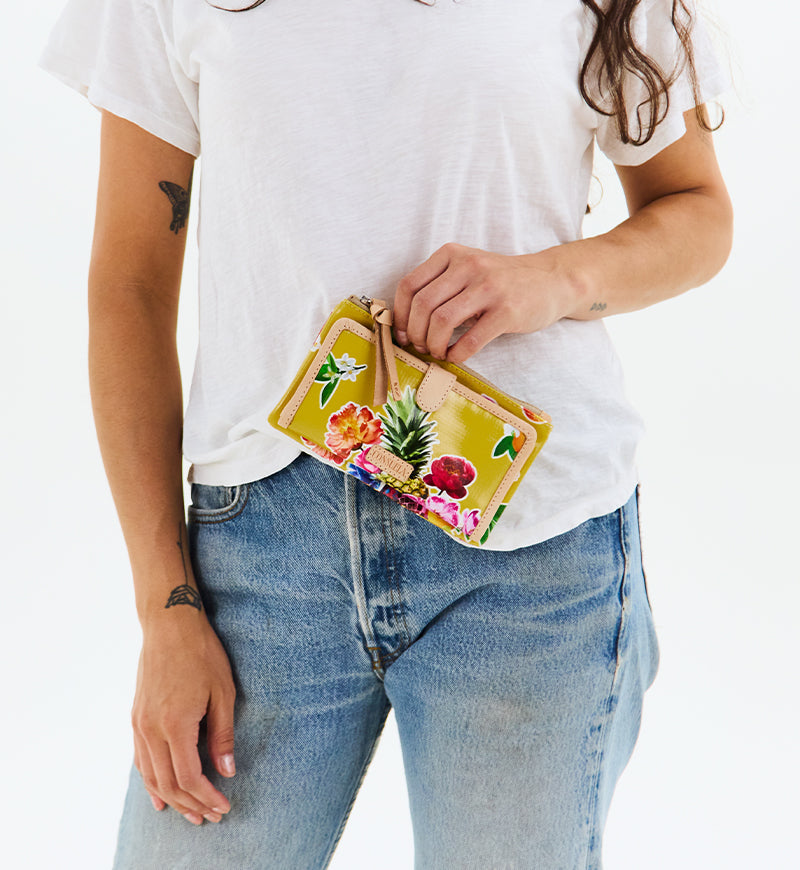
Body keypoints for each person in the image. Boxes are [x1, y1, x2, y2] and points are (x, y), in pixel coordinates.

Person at [40, 0, 732, 866]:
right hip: (260, 553)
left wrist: (552, 279)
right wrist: (164, 608)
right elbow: (130, 288)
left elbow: (697, 210)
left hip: (532, 547)